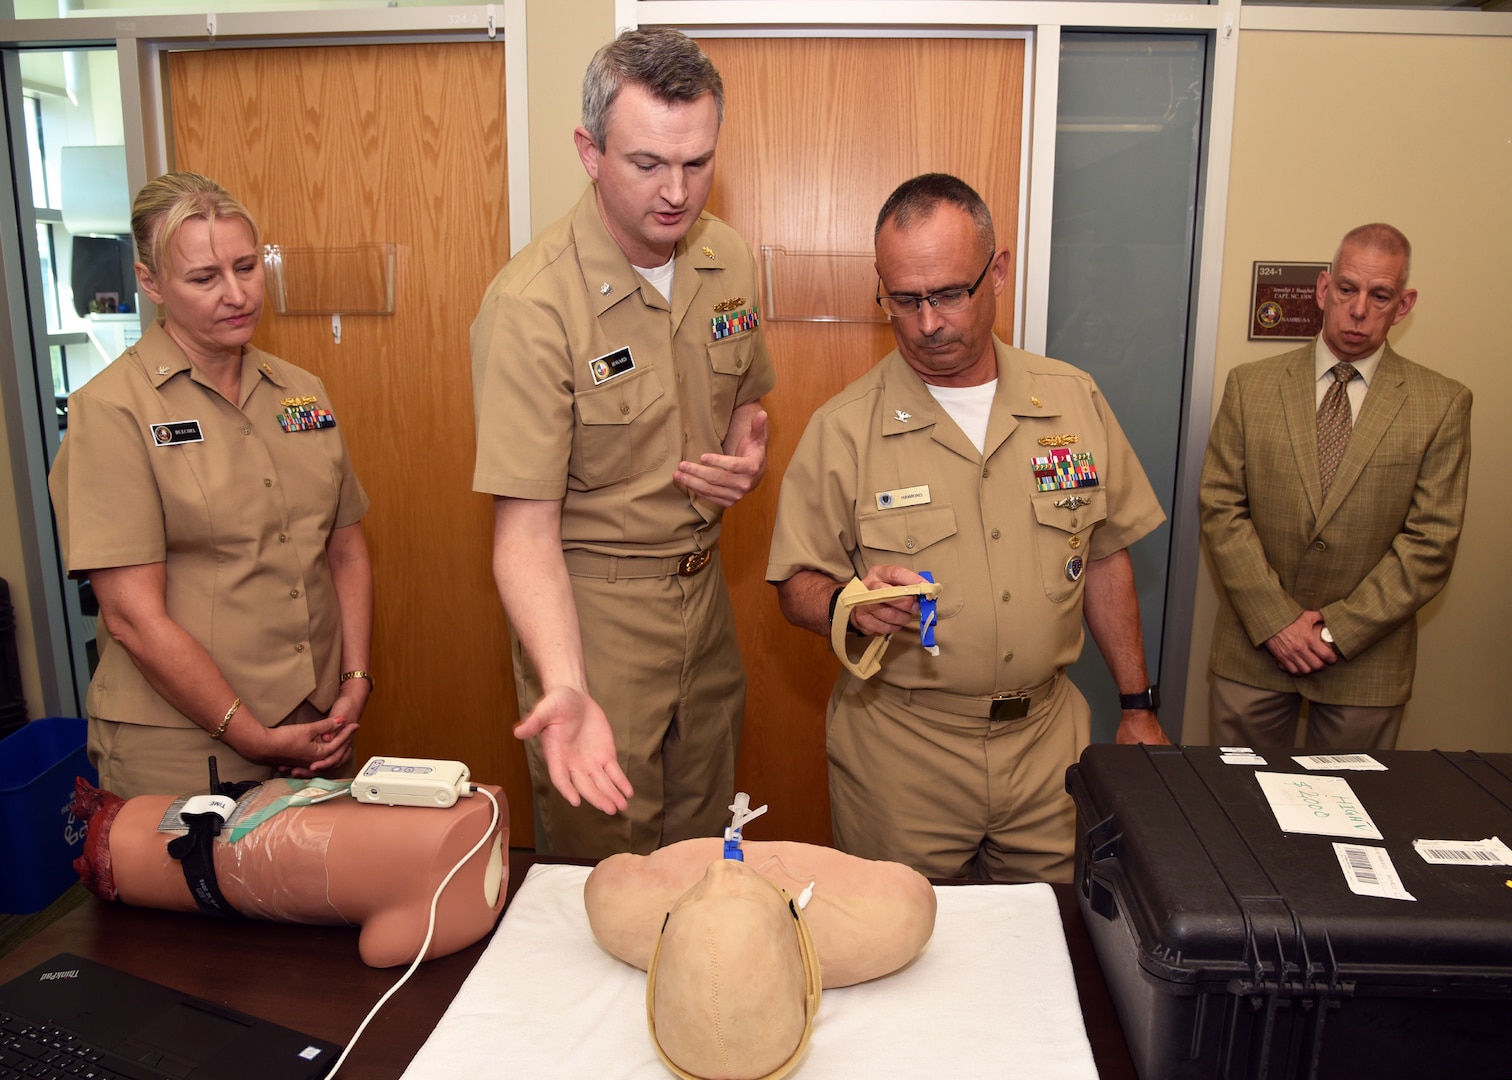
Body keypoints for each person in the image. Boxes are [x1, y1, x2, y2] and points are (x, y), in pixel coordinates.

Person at [765, 174, 1168, 883]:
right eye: (905, 301)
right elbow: (795, 583)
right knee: (898, 956)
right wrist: (848, 606)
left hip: (1049, 748)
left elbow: (1104, 557)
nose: (928, 324)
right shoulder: (844, 428)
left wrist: (1136, 706)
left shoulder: (1073, 403)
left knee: (1047, 945)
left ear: (999, 271)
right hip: (903, 754)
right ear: (881, 291)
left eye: (949, 294)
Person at [471, 28, 774, 858]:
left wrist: (750, 454)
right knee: (602, 871)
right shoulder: (533, 306)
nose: (678, 192)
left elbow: (749, 401)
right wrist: (568, 684)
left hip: (704, 599)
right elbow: (522, 533)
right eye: (647, 164)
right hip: (591, 613)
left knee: (705, 855)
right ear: (589, 151)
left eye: (699, 162)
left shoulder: (729, 258)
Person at [48, 172, 371, 800]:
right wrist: (249, 733)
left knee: (317, 894)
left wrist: (354, 680)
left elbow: (345, 548)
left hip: (315, 724)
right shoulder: (112, 411)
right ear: (151, 284)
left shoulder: (301, 391)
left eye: (247, 267)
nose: (237, 294)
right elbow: (132, 616)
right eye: (204, 278)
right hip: (183, 746)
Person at [1199, 223, 1471, 750]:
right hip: (1254, 647)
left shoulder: (1441, 404)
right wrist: (1278, 621)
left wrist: (1333, 632)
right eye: (1347, 289)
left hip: (1365, 663)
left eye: (1380, 295)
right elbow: (1220, 508)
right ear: (1324, 290)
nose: (1359, 309)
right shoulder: (1249, 387)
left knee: (1350, 816)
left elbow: (1430, 544)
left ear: (1404, 303)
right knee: (1238, 806)